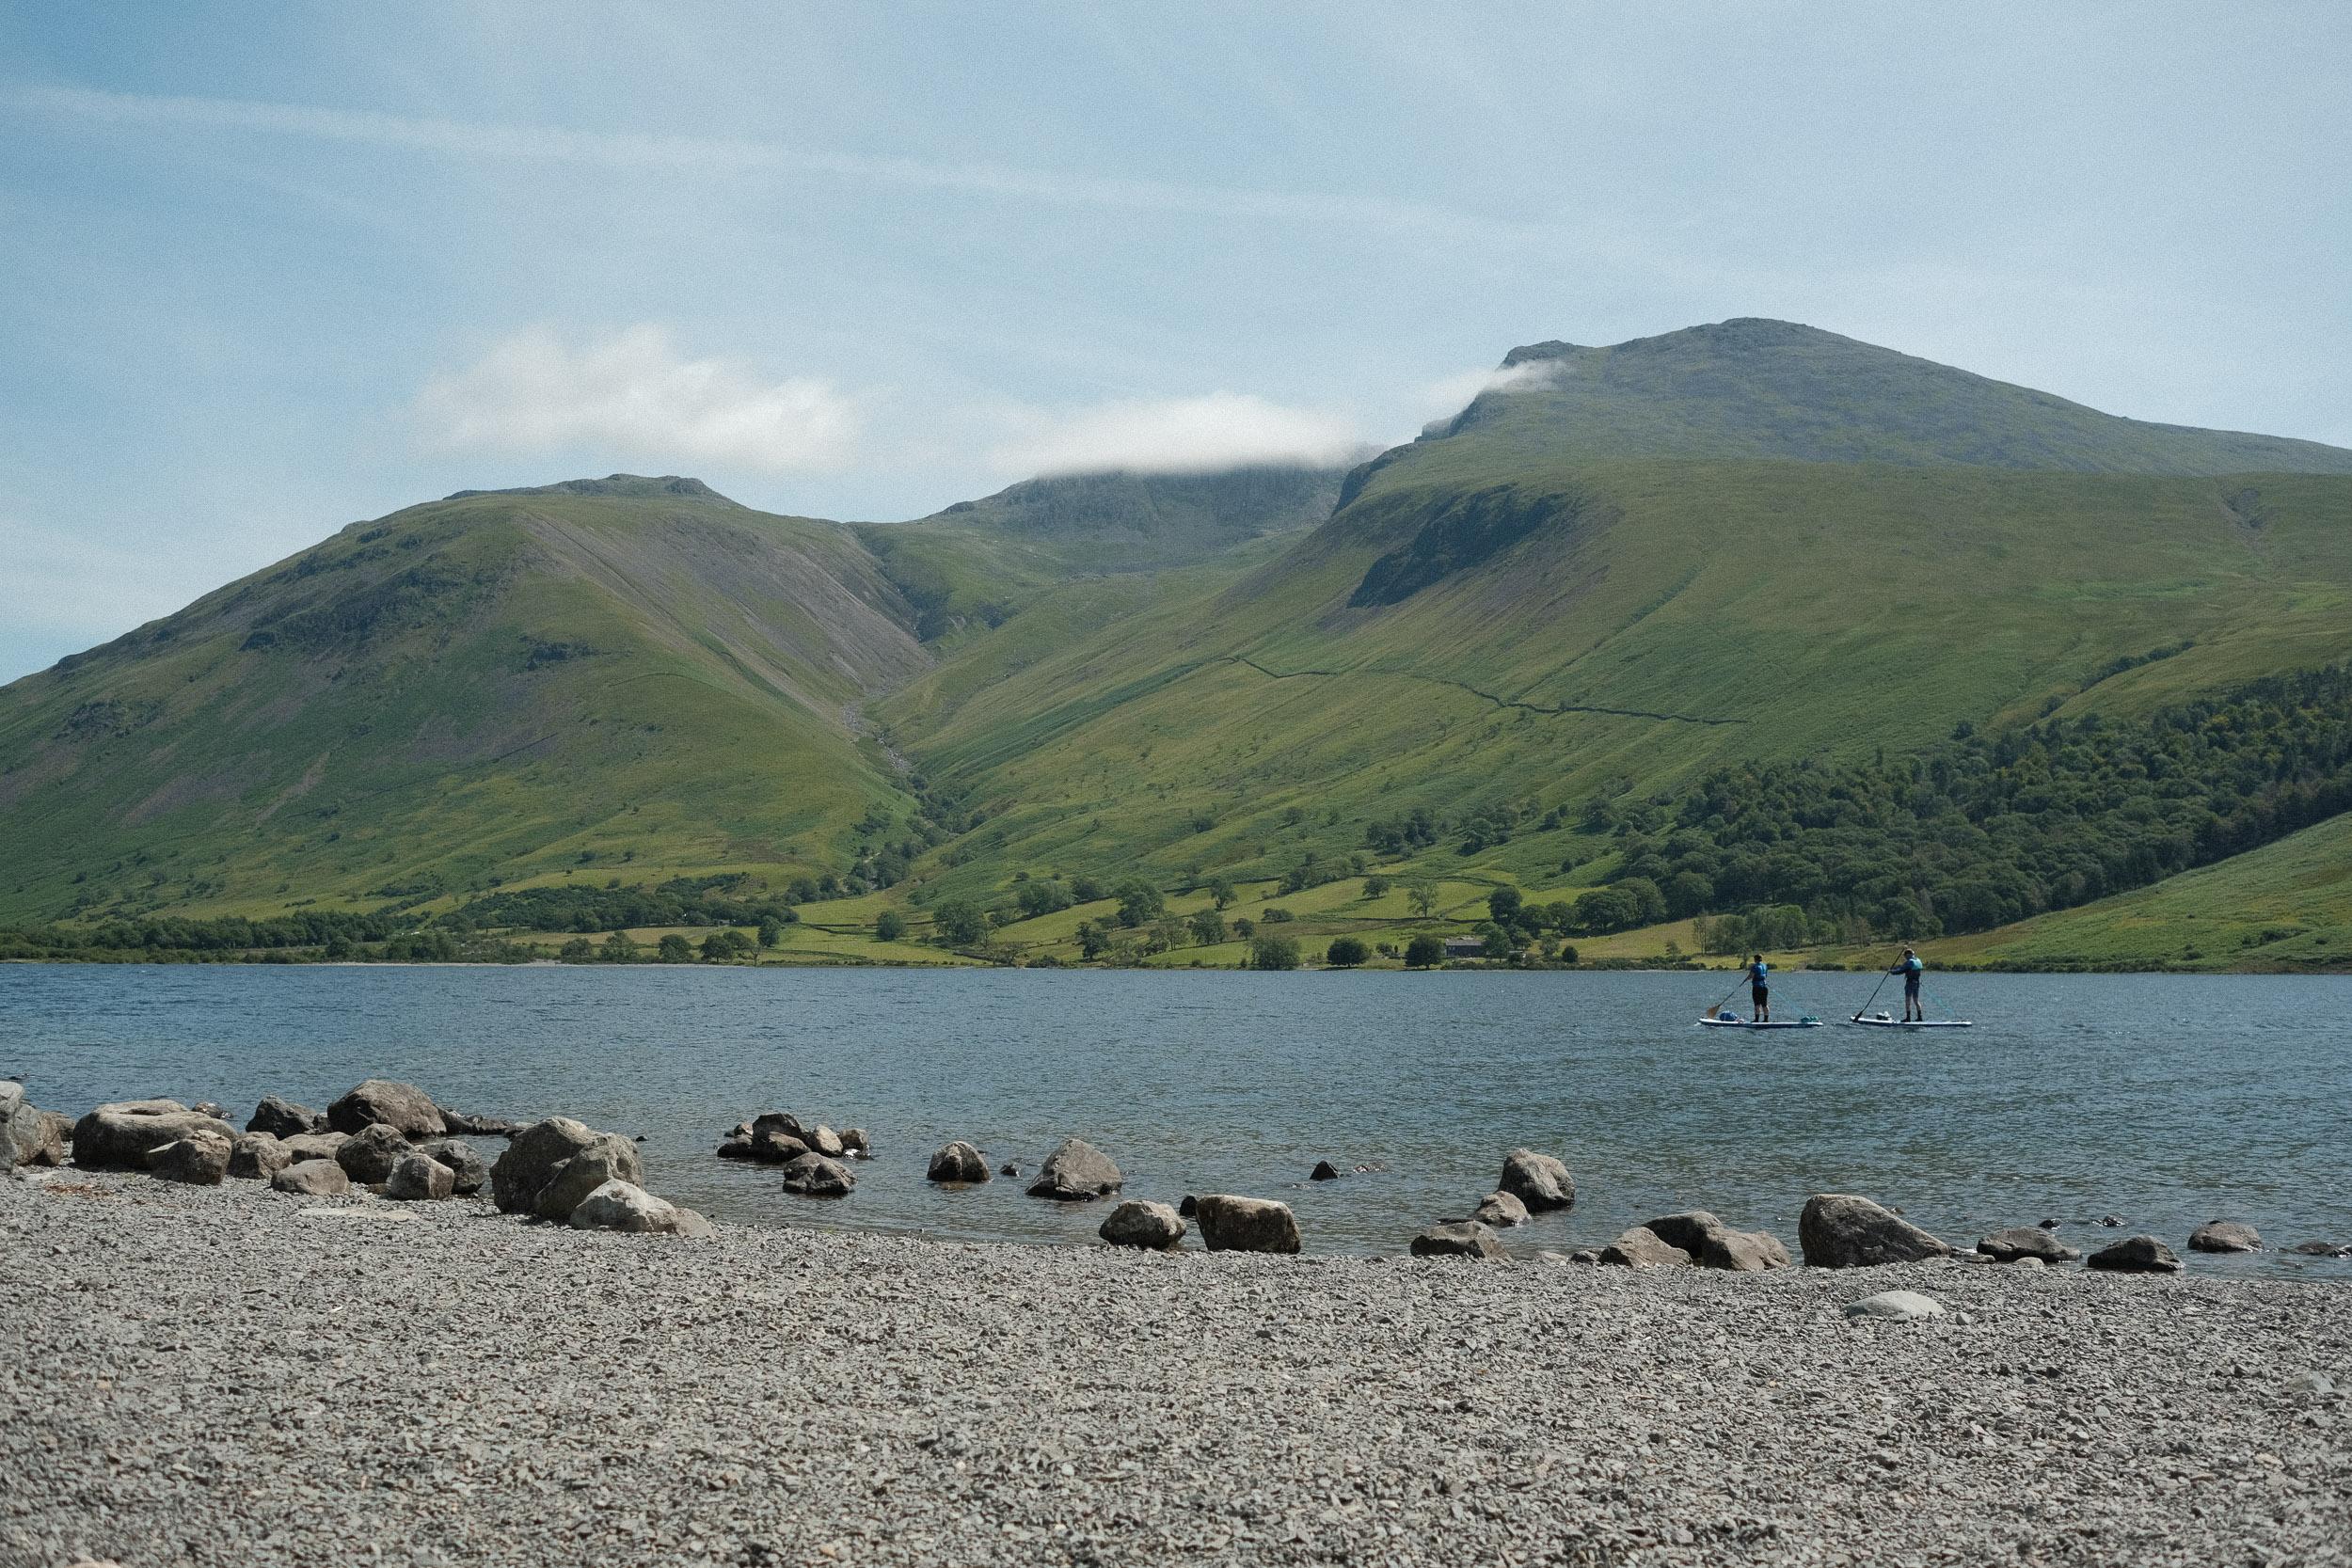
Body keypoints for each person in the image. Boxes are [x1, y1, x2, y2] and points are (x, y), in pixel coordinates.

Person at [1890, 946, 1925, 1022]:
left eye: (1905, 956)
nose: (1905, 958)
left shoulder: (1909, 962)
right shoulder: (1918, 961)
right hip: (1917, 982)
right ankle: (1920, 1017)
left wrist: (1891, 972)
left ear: (1908, 954)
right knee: (1916, 1001)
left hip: (1910, 983)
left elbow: (1900, 970)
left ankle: (1908, 1018)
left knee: (1907, 1000)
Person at [1746, 953, 1771, 1022]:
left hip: (1757, 987)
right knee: (1764, 1004)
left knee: (1757, 1004)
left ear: (1755, 959)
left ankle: (1756, 1020)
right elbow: (1765, 976)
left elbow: (1751, 976)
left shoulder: (1755, 966)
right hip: (1764, 987)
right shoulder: (1765, 966)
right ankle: (1766, 1020)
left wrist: (1746, 979)